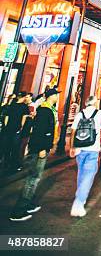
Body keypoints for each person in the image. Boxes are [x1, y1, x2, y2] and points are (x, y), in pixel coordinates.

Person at [9, 88, 60, 222]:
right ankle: (19, 210)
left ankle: (28, 203)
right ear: (51, 96)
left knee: (35, 177)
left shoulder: (48, 109)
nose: (57, 97)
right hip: (38, 149)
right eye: (56, 95)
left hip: (41, 147)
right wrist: (42, 148)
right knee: (33, 178)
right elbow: (40, 130)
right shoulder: (45, 110)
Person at [70, 95, 101, 217]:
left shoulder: (79, 114)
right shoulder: (99, 114)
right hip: (92, 149)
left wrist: (72, 147)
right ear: (94, 104)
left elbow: (73, 131)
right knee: (89, 175)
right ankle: (78, 203)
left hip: (79, 148)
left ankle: (80, 197)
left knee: (81, 174)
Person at [3, 91, 31, 172]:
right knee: (15, 147)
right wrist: (21, 127)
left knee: (7, 146)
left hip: (9, 128)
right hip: (17, 129)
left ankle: (6, 162)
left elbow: (6, 117)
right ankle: (14, 165)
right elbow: (24, 118)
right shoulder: (24, 107)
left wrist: (6, 126)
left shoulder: (12, 105)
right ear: (23, 97)